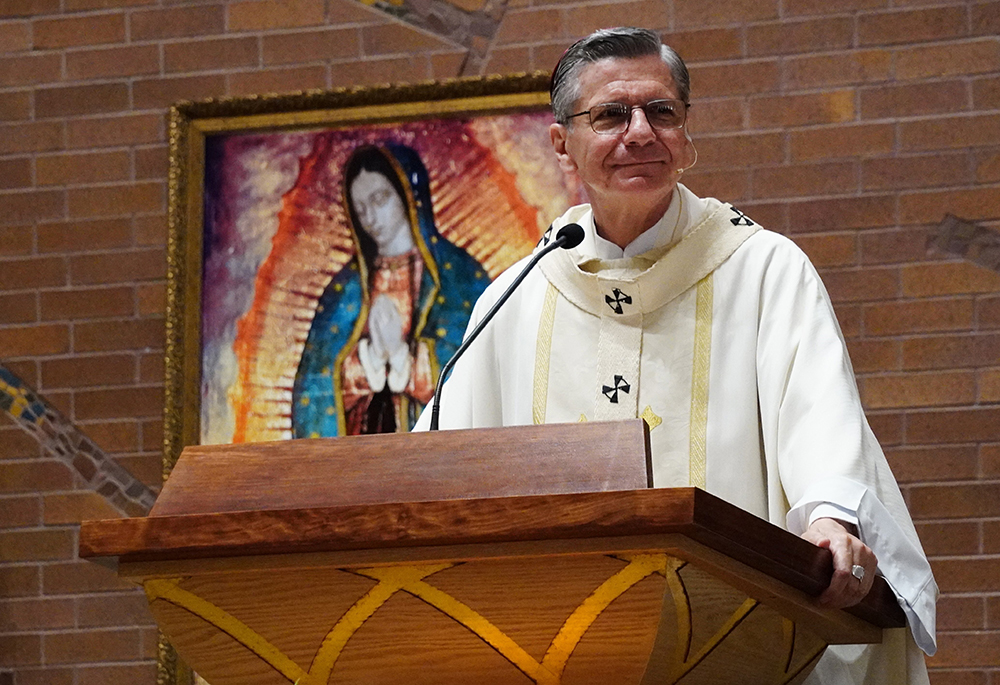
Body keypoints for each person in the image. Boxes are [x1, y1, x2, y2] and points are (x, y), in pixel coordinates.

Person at [417, 27, 936, 684]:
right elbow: (438, 463)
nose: (640, 132)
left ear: (686, 135)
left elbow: (820, 420)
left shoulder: (764, 269)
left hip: (737, 643)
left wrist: (829, 524)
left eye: (661, 112)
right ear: (561, 142)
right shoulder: (518, 294)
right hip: (560, 649)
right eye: (611, 114)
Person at [293, 143, 491, 436]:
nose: (371, 218)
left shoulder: (458, 276)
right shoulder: (345, 289)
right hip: (361, 455)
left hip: (435, 460)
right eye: (360, 209)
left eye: (380, 199)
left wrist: (407, 361)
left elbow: (482, 369)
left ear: (408, 196)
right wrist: (363, 363)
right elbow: (315, 382)